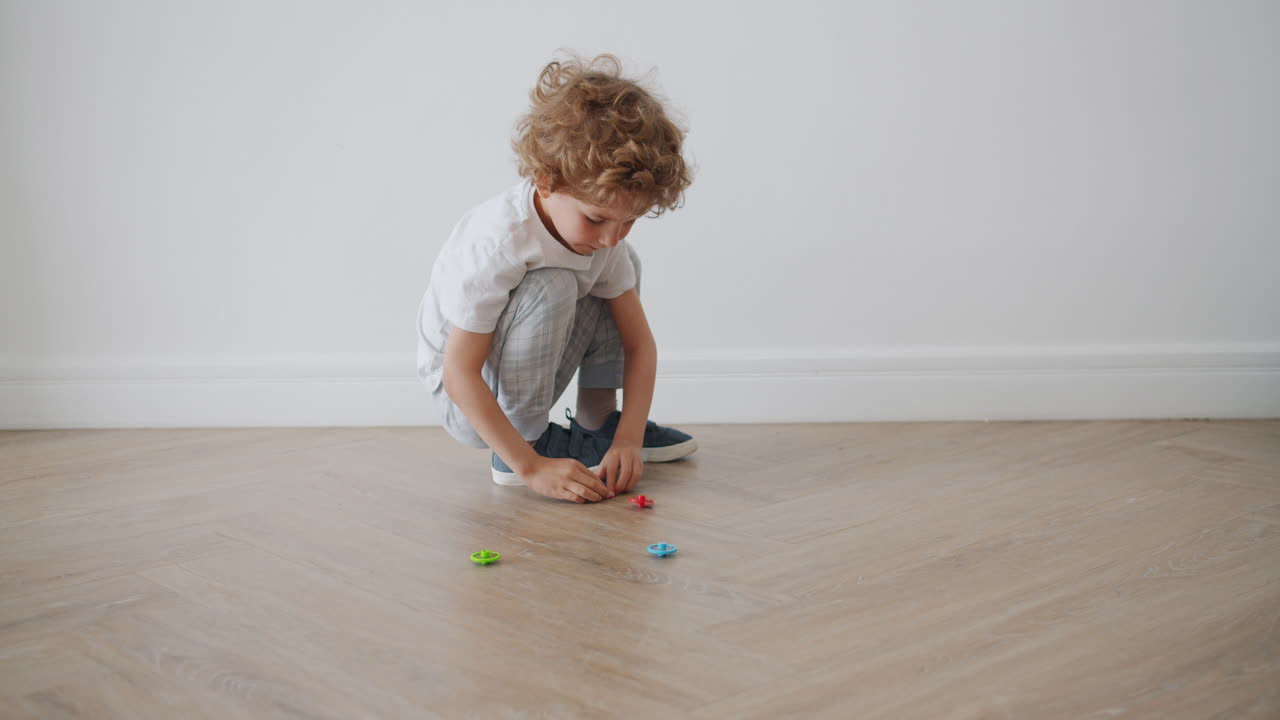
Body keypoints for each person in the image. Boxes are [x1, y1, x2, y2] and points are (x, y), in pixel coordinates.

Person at [416, 54, 697, 504]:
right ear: (547, 182)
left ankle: (598, 427)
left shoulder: (605, 240)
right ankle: (522, 448)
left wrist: (626, 439)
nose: (611, 236)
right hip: (470, 401)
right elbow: (458, 372)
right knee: (556, 282)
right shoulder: (498, 242)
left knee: (621, 266)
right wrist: (531, 469)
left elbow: (639, 343)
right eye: (597, 219)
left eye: (629, 220)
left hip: (519, 373)